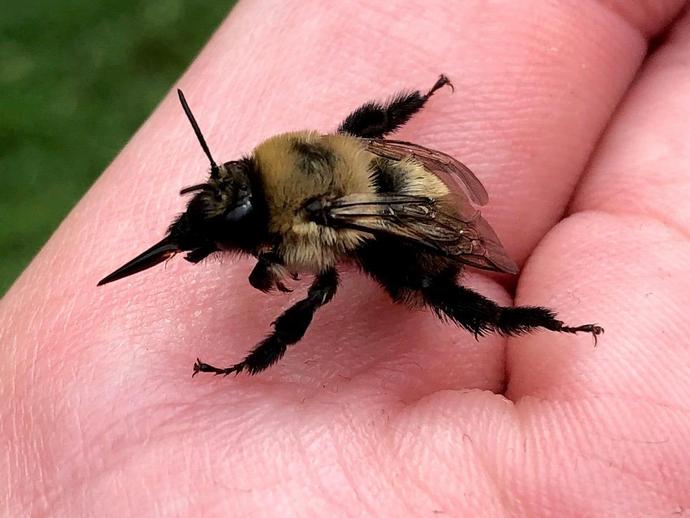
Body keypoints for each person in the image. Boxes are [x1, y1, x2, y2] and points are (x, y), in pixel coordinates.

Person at [2, 1, 688, 515]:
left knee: (422, 293)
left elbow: (314, 263)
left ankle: (537, 322)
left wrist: (261, 303)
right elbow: (354, 140)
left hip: (409, 221)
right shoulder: (281, 170)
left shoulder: (313, 217)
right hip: (389, 181)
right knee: (354, 145)